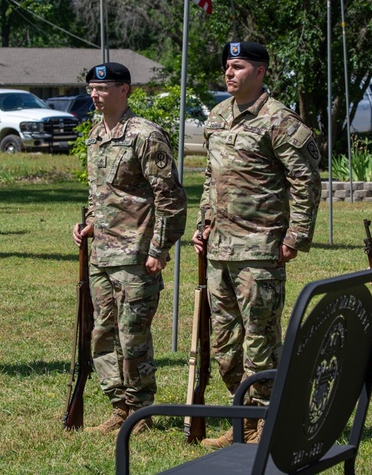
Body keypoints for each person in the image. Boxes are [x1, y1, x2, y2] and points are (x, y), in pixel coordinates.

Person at [191, 41, 320, 449]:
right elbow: (211, 179)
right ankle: (244, 418)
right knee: (225, 343)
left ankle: (268, 420)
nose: (230, 73)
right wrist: (202, 223)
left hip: (260, 248)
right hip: (219, 248)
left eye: (239, 66)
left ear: (260, 72)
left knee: (260, 339)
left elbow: (305, 180)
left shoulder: (279, 120)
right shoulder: (216, 117)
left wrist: (296, 236)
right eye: (227, 66)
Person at [72, 62, 187, 436]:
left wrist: (159, 248)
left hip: (137, 256)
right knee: (102, 333)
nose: (95, 94)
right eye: (91, 88)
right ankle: (119, 407)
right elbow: (99, 192)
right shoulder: (95, 137)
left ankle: (141, 411)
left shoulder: (145, 135)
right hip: (102, 254)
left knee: (132, 334)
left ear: (125, 91)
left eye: (103, 88)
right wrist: (89, 222)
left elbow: (169, 197)